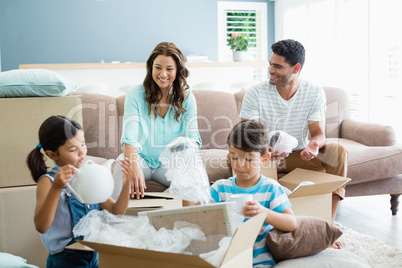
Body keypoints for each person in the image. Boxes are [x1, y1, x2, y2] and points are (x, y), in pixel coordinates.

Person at [240, 39, 348, 246]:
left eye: (277, 66)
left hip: (299, 155)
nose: (270, 70)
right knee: (235, 159)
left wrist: (314, 145)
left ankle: (327, 225)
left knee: (338, 152)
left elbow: (318, 133)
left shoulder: (314, 92)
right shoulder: (255, 93)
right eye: (270, 64)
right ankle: (258, 226)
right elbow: (245, 135)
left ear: (296, 68)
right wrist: (265, 152)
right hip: (265, 157)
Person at [26, 115, 131, 268]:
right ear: (52, 155)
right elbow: (41, 226)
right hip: (65, 260)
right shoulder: (47, 181)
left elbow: (116, 212)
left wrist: (126, 185)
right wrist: (57, 187)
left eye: (83, 144)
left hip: (94, 255)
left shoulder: (89, 176)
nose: (82, 152)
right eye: (73, 149)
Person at [113, 42, 201, 200]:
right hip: (140, 158)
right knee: (122, 167)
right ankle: (112, 219)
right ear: (151, 68)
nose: (163, 74)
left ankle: (160, 211)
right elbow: (129, 137)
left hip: (168, 162)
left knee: (192, 178)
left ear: (178, 70)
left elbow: (193, 139)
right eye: (158, 67)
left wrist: (183, 163)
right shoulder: (135, 95)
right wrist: (133, 165)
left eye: (169, 69)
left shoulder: (187, 98)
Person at [210, 120, 297, 267]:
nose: (240, 164)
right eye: (234, 157)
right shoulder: (220, 188)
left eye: (249, 159)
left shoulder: (270, 188)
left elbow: (291, 223)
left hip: (260, 263)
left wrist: (264, 213)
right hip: (226, 261)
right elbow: (201, 219)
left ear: (264, 159)